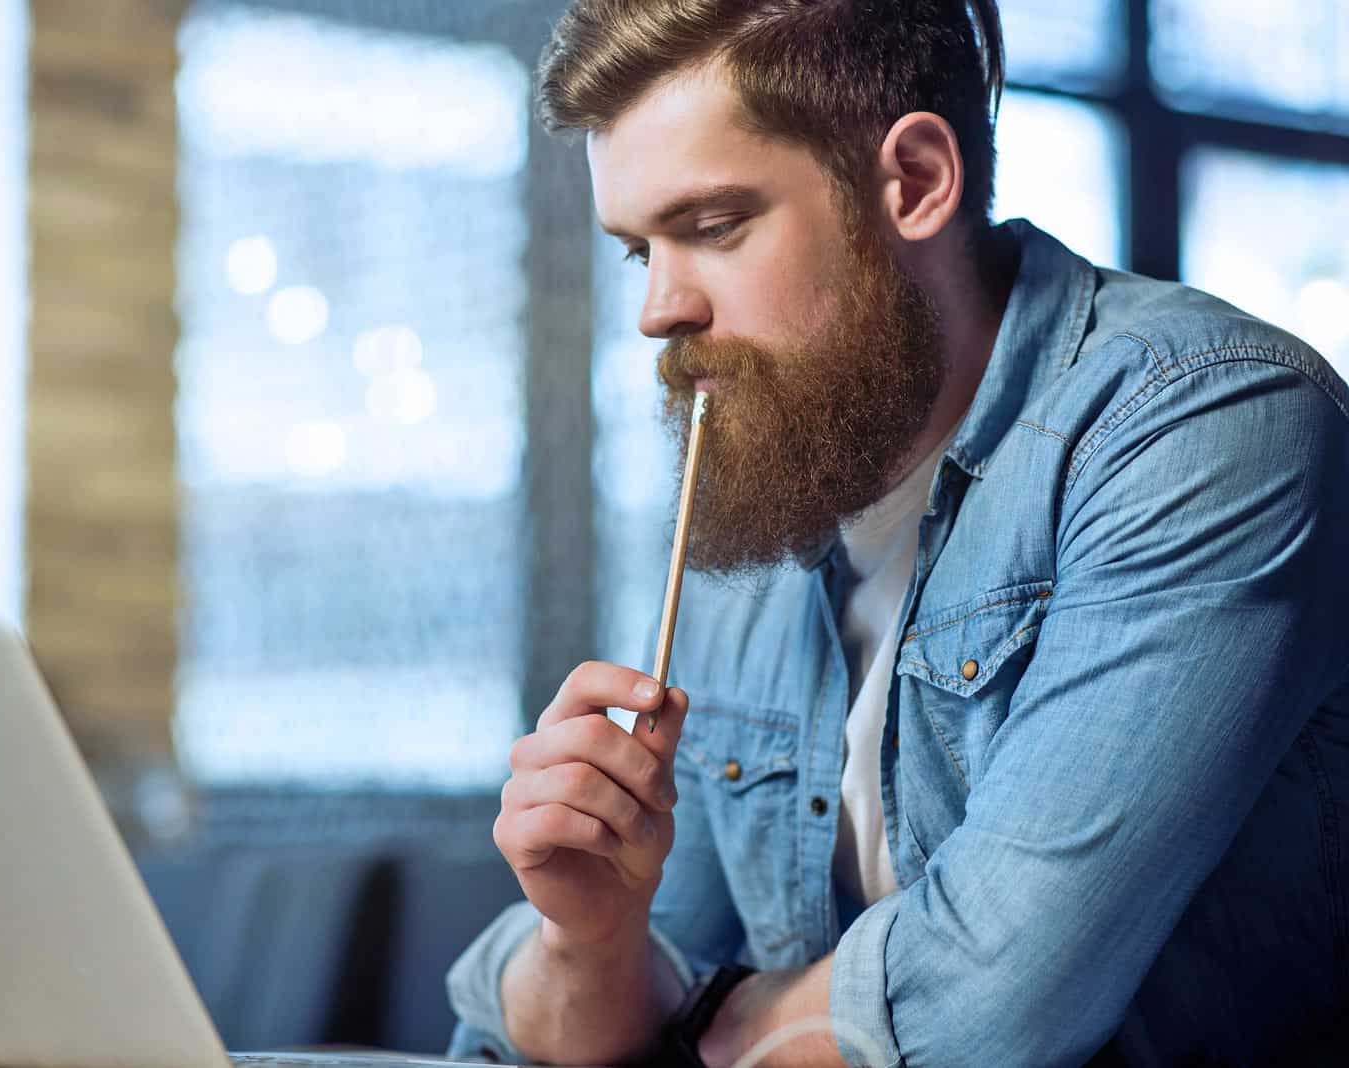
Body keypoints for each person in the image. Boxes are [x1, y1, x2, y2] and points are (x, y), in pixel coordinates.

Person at [445, 1, 1349, 1064]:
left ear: (915, 180)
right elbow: (578, 1010)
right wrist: (590, 941)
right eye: (638, 251)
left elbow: (983, 1015)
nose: (658, 309)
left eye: (713, 225)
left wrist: (690, 1014)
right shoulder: (761, 492)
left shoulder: (1208, 425)